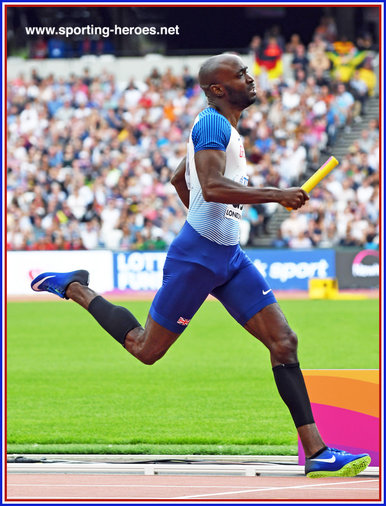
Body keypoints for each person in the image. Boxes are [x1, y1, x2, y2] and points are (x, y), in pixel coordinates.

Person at [31, 53, 371, 478]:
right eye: (241, 74)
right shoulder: (211, 123)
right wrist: (276, 195)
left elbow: (181, 178)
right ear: (217, 89)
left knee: (284, 341)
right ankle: (75, 288)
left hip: (226, 256)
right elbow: (209, 186)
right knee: (144, 349)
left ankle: (318, 453)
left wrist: (213, 225)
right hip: (198, 257)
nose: (250, 78)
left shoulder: (224, 129)